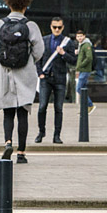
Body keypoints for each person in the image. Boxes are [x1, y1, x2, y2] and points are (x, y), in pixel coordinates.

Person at [0, 0, 43, 163]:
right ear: (25, 5)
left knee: (8, 113)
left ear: (8, 3)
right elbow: (39, 51)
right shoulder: (31, 26)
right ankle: (21, 153)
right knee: (23, 113)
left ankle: (8, 142)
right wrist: (28, 61)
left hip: (3, 73)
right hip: (25, 73)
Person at [35, 16, 76, 144]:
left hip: (60, 78)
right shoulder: (44, 40)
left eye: (59, 27)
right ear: (51, 27)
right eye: (54, 27)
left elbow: (74, 60)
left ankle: (57, 135)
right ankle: (41, 132)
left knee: (59, 108)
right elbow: (38, 58)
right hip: (46, 78)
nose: (57, 29)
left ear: (62, 27)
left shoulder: (67, 42)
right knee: (42, 107)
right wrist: (40, 73)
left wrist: (64, 54)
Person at [74, 29, 95, 114]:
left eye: (81, 36)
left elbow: (89, 57)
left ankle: (90, 105)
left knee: (79, 89)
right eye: (78, 36)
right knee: (83, 88)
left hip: (85, 70)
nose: (79, 38)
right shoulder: (81, 45)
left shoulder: (86, 45)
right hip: (83, 70)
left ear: (84, 36)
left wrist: (81, 65)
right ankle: (84, 109)